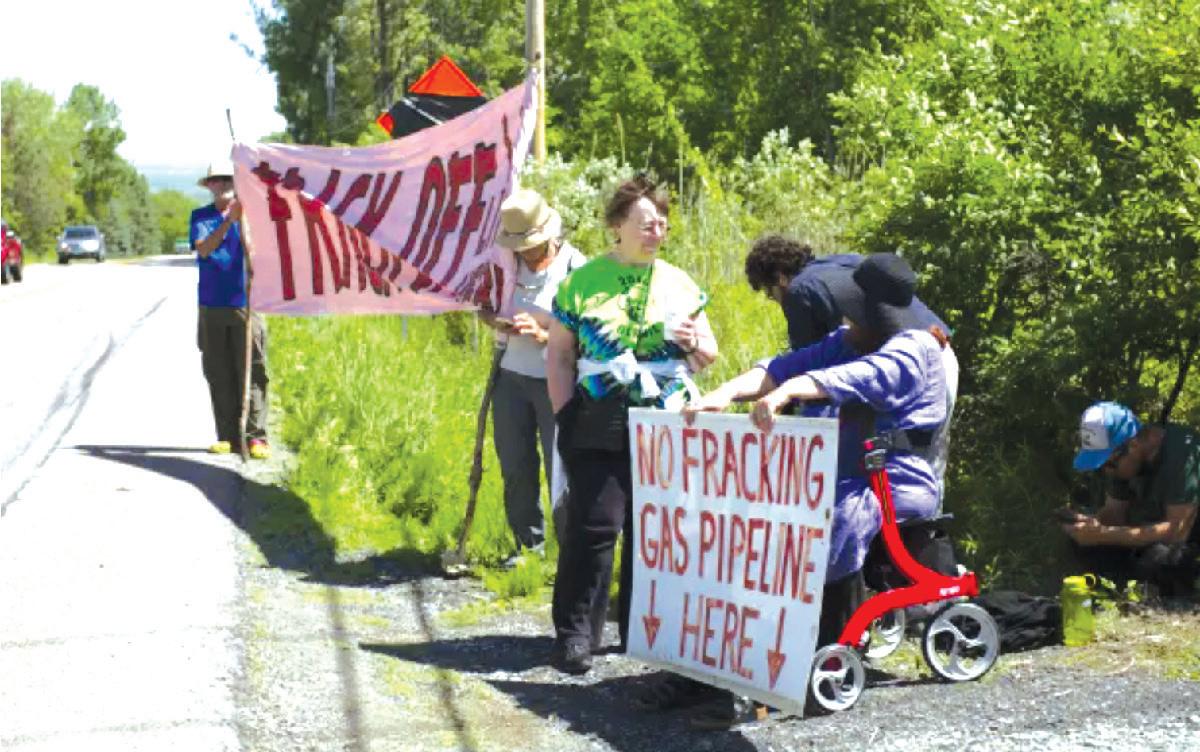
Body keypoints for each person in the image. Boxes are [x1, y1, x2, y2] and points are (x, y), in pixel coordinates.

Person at [659, 253, 950, 728]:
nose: (846, 322)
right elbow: (783, 366)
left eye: (854, 314)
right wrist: (726, 393)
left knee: (828, 523)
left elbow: (855, 378)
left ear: (876, 315)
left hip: (896, 479)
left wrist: (792, 391)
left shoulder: (914, 348)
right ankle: (718, 660)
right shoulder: (848, 341)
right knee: (747, 520)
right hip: (845, 472)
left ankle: (817, 651)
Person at [547, 175, 718, 674]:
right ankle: (576, 635)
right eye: (646, 224)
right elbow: (559, 355)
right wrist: (564, 414)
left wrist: (692, 342)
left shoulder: (679, 282)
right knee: (595, 525)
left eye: (662, 224)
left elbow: (708, 352)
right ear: (617, 226)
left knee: (655, 528)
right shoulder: (581, 282)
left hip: (665, 419)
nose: (655, 232)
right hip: (597, 415)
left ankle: (643, 631)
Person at [744, 235, 959, 491]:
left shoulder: (799, 290)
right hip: (942, 354)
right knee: (926, 464)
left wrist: (781, 418)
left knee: (892, 467)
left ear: (780, 278)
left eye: (770, 293)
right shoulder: (845, 262)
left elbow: (809, 373)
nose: (776, 300)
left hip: (903, 362)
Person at [481, 188, 587, 564]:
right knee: (516, 463)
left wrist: (544, 335)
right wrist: (496, 321)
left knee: (562, 468)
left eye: (531, 245)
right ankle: (527, 547)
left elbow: (590, 331)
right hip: (510, 378)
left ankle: (571, 554)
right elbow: (484, 305)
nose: (526, 253)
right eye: (520, 247)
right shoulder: (506, 264)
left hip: (557, 382)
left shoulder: (576, 268)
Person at [1061, 402, 1199, 597]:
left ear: (1133, 445)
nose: (1107, 471)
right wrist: (1088, 526)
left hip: (1185, 538)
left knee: (1164, 559)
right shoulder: (1125, 461)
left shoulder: (1183, 455)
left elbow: (1176, 533)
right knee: (1084, 546)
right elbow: (1114, 515)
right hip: (1152, 533)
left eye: (1109, 464)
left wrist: (1103, 534)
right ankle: (1121, 589)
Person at [190, 159, 269, 459]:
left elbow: (257, 255)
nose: (221, 185)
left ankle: (255, 436)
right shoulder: (201, 217)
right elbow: (204, 248)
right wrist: (227, 222)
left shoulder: (253, 216)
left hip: (247, 303)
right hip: (211, 304)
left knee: (253, 369)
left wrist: (243, 220)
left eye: (227, 179)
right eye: (216, 181)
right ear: (208, 186)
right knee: (218, 370)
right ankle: (227, 435)